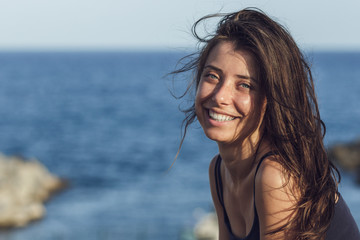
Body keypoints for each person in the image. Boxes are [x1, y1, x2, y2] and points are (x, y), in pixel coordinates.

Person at [173, 8, 360, 240]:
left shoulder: (276, 176)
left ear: (271, 99)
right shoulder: (219, 170)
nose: (220, 96)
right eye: (212, 76)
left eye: (245, 85)